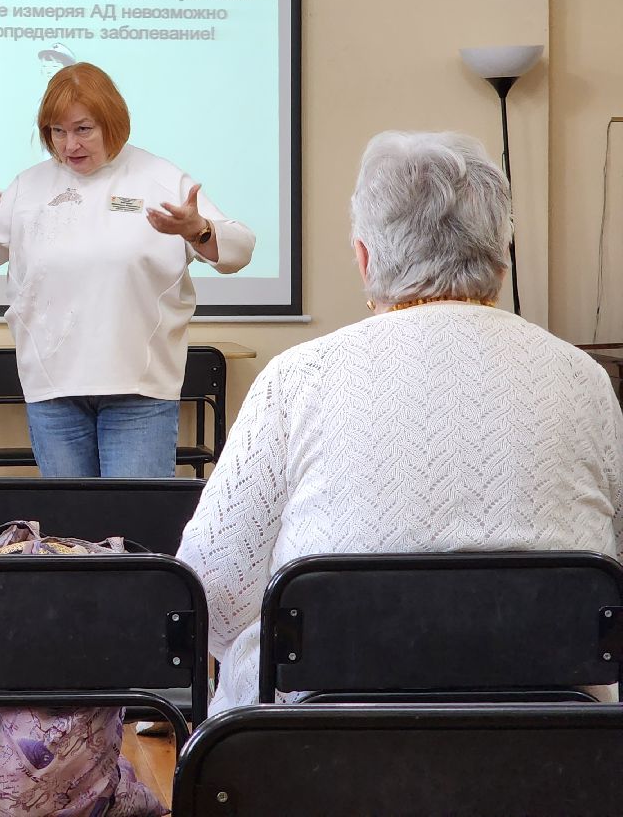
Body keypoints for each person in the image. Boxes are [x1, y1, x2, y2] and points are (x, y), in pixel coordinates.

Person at [177, 131, 623, 714]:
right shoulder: (583, 377)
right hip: (553, 745)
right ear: (502, 255)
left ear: (365, 256)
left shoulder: (297, 378)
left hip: (320, 748)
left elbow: (211, 594)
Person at [0, 62, 255, 478]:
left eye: (83, 129)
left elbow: (239, 249)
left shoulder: (159, 178)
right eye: (57, 131)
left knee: (132, 532)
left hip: (139, 388)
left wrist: (196, 230)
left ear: (112, 122)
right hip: (53, 388)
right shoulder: (29, 187)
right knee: (71, 534)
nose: (70, 144)